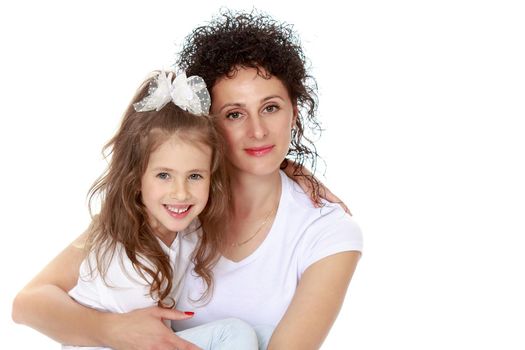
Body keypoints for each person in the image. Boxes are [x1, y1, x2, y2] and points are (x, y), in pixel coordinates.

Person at [12, 10, 363, 350]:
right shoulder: (171, 204)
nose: (257, 131)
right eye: (234, 113)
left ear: (294, 113)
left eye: (271, 107)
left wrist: (290, 167)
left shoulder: (327, 233)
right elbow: (29, 303)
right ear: (207, 124)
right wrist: (112, 331)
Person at [58, 70, 258, 349]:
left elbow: (244, 175)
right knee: (235, 334)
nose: (181, 193)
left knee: (262, 335)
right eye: (164, 175)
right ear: (136, 177)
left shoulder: (186, 225)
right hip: (110, 344)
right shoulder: (129, 262)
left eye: (195, 176)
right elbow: (142, 341)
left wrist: (296, 172)